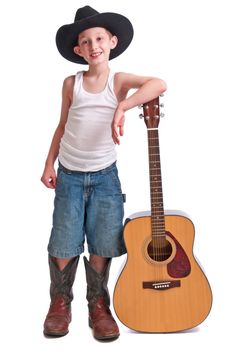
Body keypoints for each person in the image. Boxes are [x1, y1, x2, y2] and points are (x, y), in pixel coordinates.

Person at [41, 5, 167, 341]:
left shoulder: (119, 81)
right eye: (86, 40)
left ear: (112, 41)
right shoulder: (72, 83)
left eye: (99, 37)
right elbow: (63, 124)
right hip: (69, 174)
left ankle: (98, 304)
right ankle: (59, 303)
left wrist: (124, 106)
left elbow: (159, 83)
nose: (93, 44)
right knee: (65, 240)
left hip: (105, 179)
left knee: (103, 242)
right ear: (77, 50)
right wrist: (47, 164)